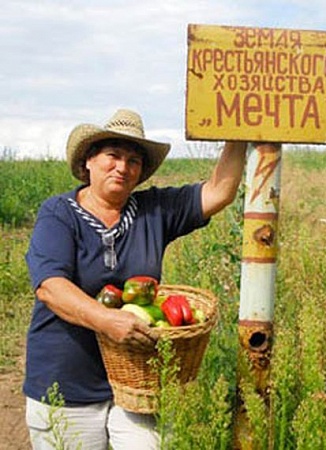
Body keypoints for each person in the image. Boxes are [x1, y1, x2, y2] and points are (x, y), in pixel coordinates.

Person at [23, 108, 248, 449]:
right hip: (67, 381)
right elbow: (51, 287)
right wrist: (107, 321)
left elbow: (219, 192)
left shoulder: (152, 210)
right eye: (112, 156)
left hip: (140, 383)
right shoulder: (59, 213)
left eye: (133, 160)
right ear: (88, 162)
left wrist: (240, 132)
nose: (123, 167)